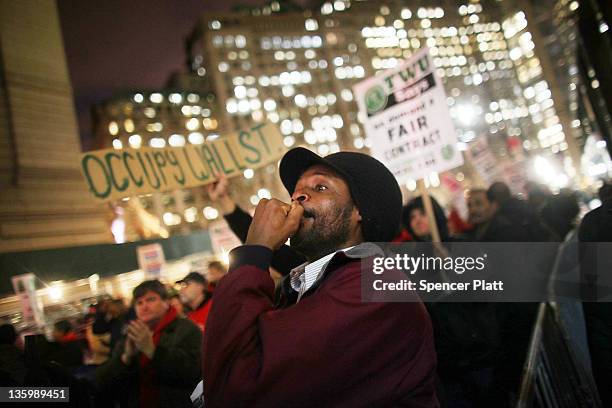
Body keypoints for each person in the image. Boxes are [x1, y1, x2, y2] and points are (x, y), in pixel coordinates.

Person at [201, 147, 438, 407]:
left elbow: (235, 386)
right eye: (297, 189)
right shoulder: (317, 280)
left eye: (320, 187)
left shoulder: (376, 288)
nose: (297, 196)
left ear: (360, 211)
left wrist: (254, 251)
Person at [96, 280, 201, 408]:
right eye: (139, 302)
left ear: (166, 302)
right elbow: (103, 383)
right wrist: (125, 359)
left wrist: (152, 351)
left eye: (151, 300)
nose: (144, 306)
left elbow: (194, 373)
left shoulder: (186, 329)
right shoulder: (130, 335)